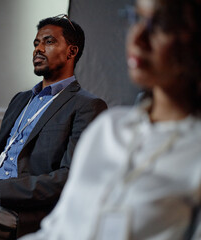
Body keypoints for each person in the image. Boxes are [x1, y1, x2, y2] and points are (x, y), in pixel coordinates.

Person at [20, 0, 201, 239]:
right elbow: (57, 232)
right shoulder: (108, 128)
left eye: (161, 24)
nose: (137, 38)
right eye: (135, 18)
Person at [0, 15, 107, 240]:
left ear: (71, 52)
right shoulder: (21, 99)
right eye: (36, 43)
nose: (38, 49)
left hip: (24, 211)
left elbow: (69, 178)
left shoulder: (87, 106)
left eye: (49, 42)